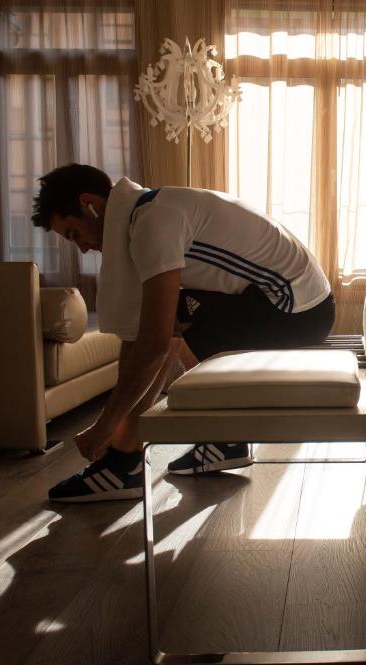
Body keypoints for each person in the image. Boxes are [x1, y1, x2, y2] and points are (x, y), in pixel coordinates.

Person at [32, 164, 334, 502]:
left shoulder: (154, 223)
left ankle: (142, 459)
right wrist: (113, 419)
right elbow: (141, 336)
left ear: (90, 205)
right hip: (298, 303)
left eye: (74, 234)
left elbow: (154, 343)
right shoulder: (150, 210)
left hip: (298, 310)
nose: (83, 249)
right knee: (162, 318)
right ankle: (148, 455)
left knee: (168, 321)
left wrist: (105, 424)